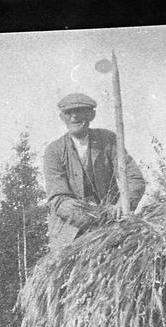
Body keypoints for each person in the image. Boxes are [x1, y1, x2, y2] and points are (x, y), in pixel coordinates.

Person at [43, 92, 146, 251]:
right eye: (69, 113)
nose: (74, 117)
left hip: (112, 228)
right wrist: (97, 216)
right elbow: (59, 200)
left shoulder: (108, 140)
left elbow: (135, 179)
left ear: (92, 115)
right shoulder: (54, 151)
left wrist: (122, 205)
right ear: (62, 117)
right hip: (70, 234)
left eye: (80, 111)